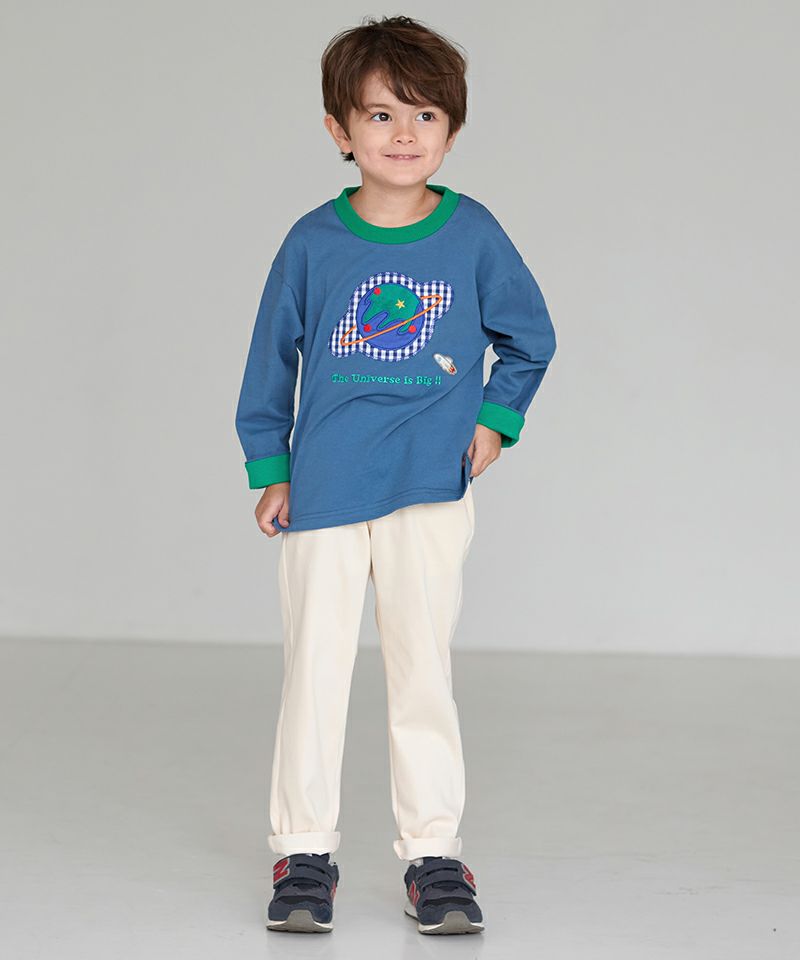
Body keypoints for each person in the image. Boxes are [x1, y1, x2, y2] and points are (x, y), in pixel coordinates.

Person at [235, 15, 557, 936]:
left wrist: (495, 422)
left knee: (423, 671)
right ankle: (304, 851)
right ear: (340, 130)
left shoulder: (473, 235)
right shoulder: (312, 242)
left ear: (451, 129)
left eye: (424, 115)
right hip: (325, 490)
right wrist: (270, 466)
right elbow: (270, 362)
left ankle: (434, 854)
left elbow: (530, 338)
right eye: (380, 115)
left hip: (429, 488)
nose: (404, 134)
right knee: (315, 672)